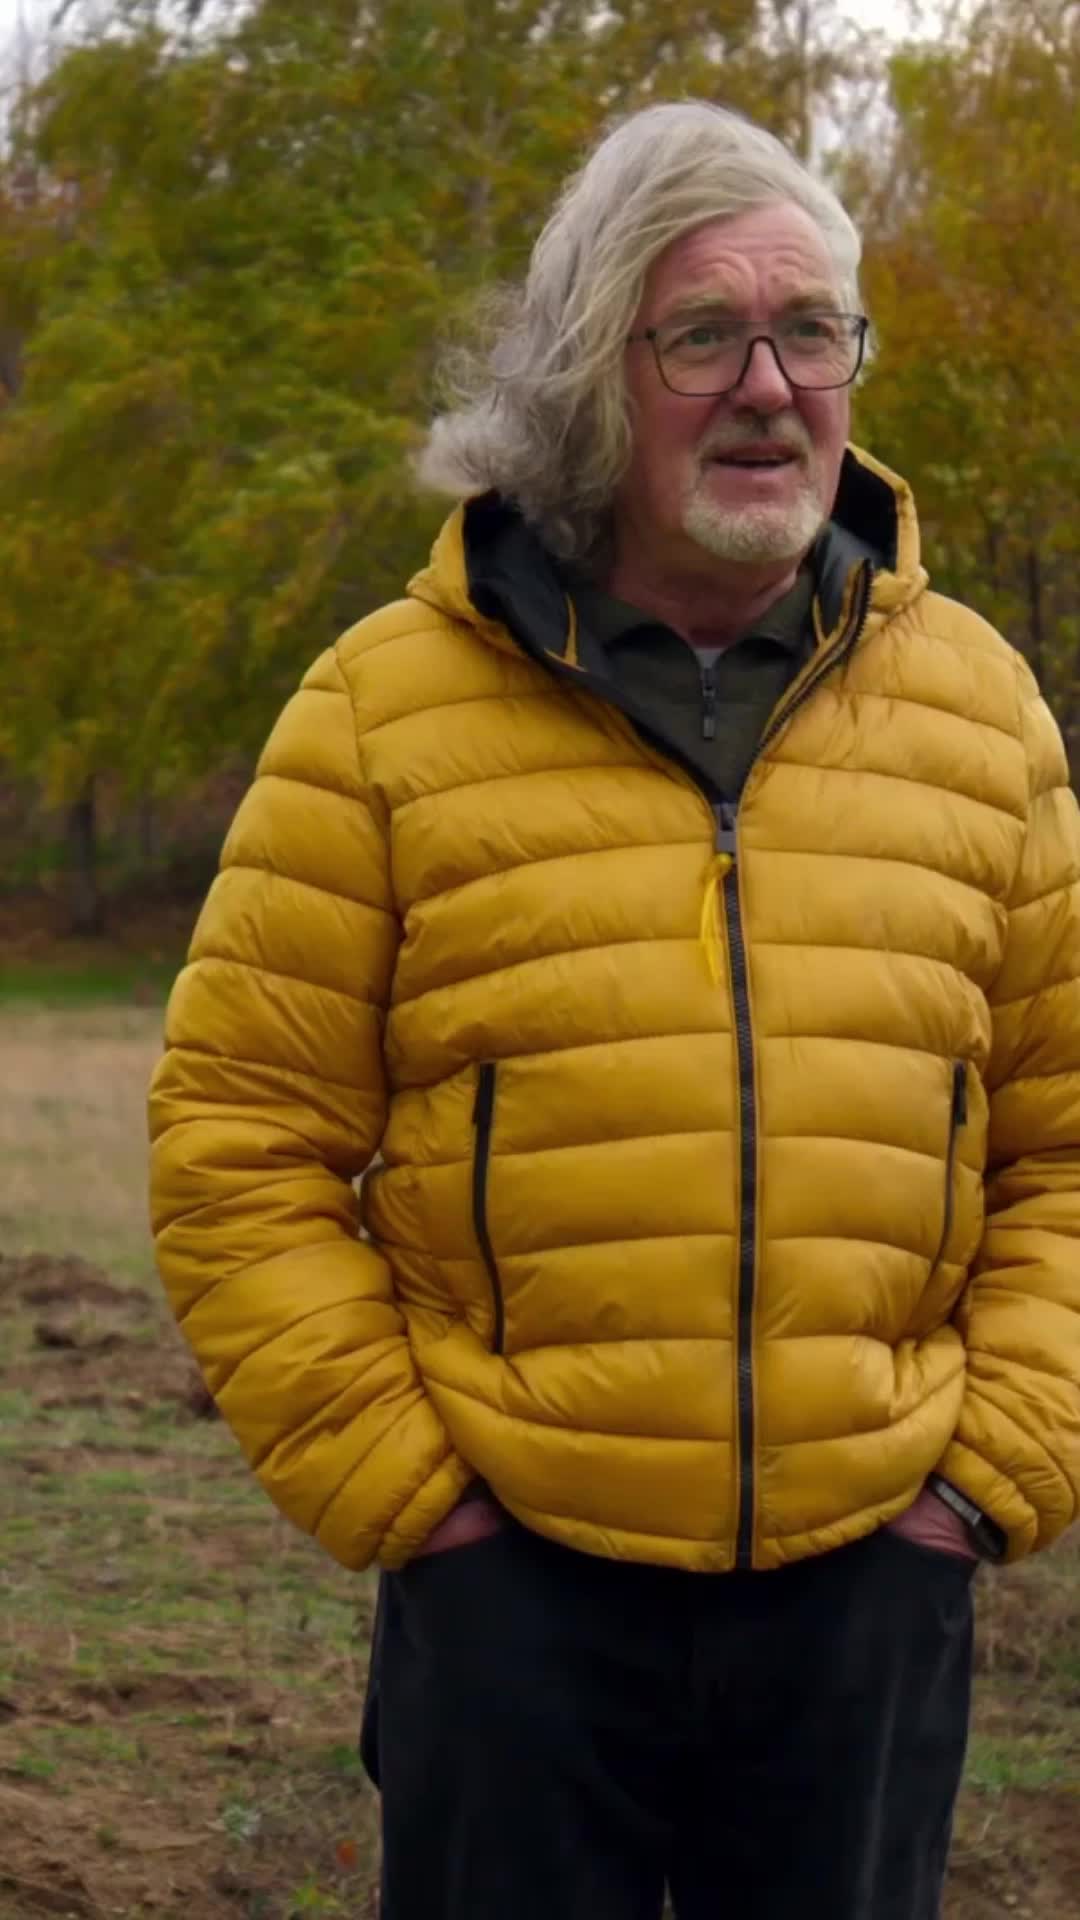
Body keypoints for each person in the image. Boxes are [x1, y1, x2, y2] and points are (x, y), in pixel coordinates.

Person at [148, 100, 1080, 1920]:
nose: (769, 388)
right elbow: (236, 1143)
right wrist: (421, 1503)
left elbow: (1067, 1139)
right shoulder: (384, 709)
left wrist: (975, 1486)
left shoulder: (978, 711)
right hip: (513, 1602)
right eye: (701, 336)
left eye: (811, 332)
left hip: (870, 1590)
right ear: (591, 374)